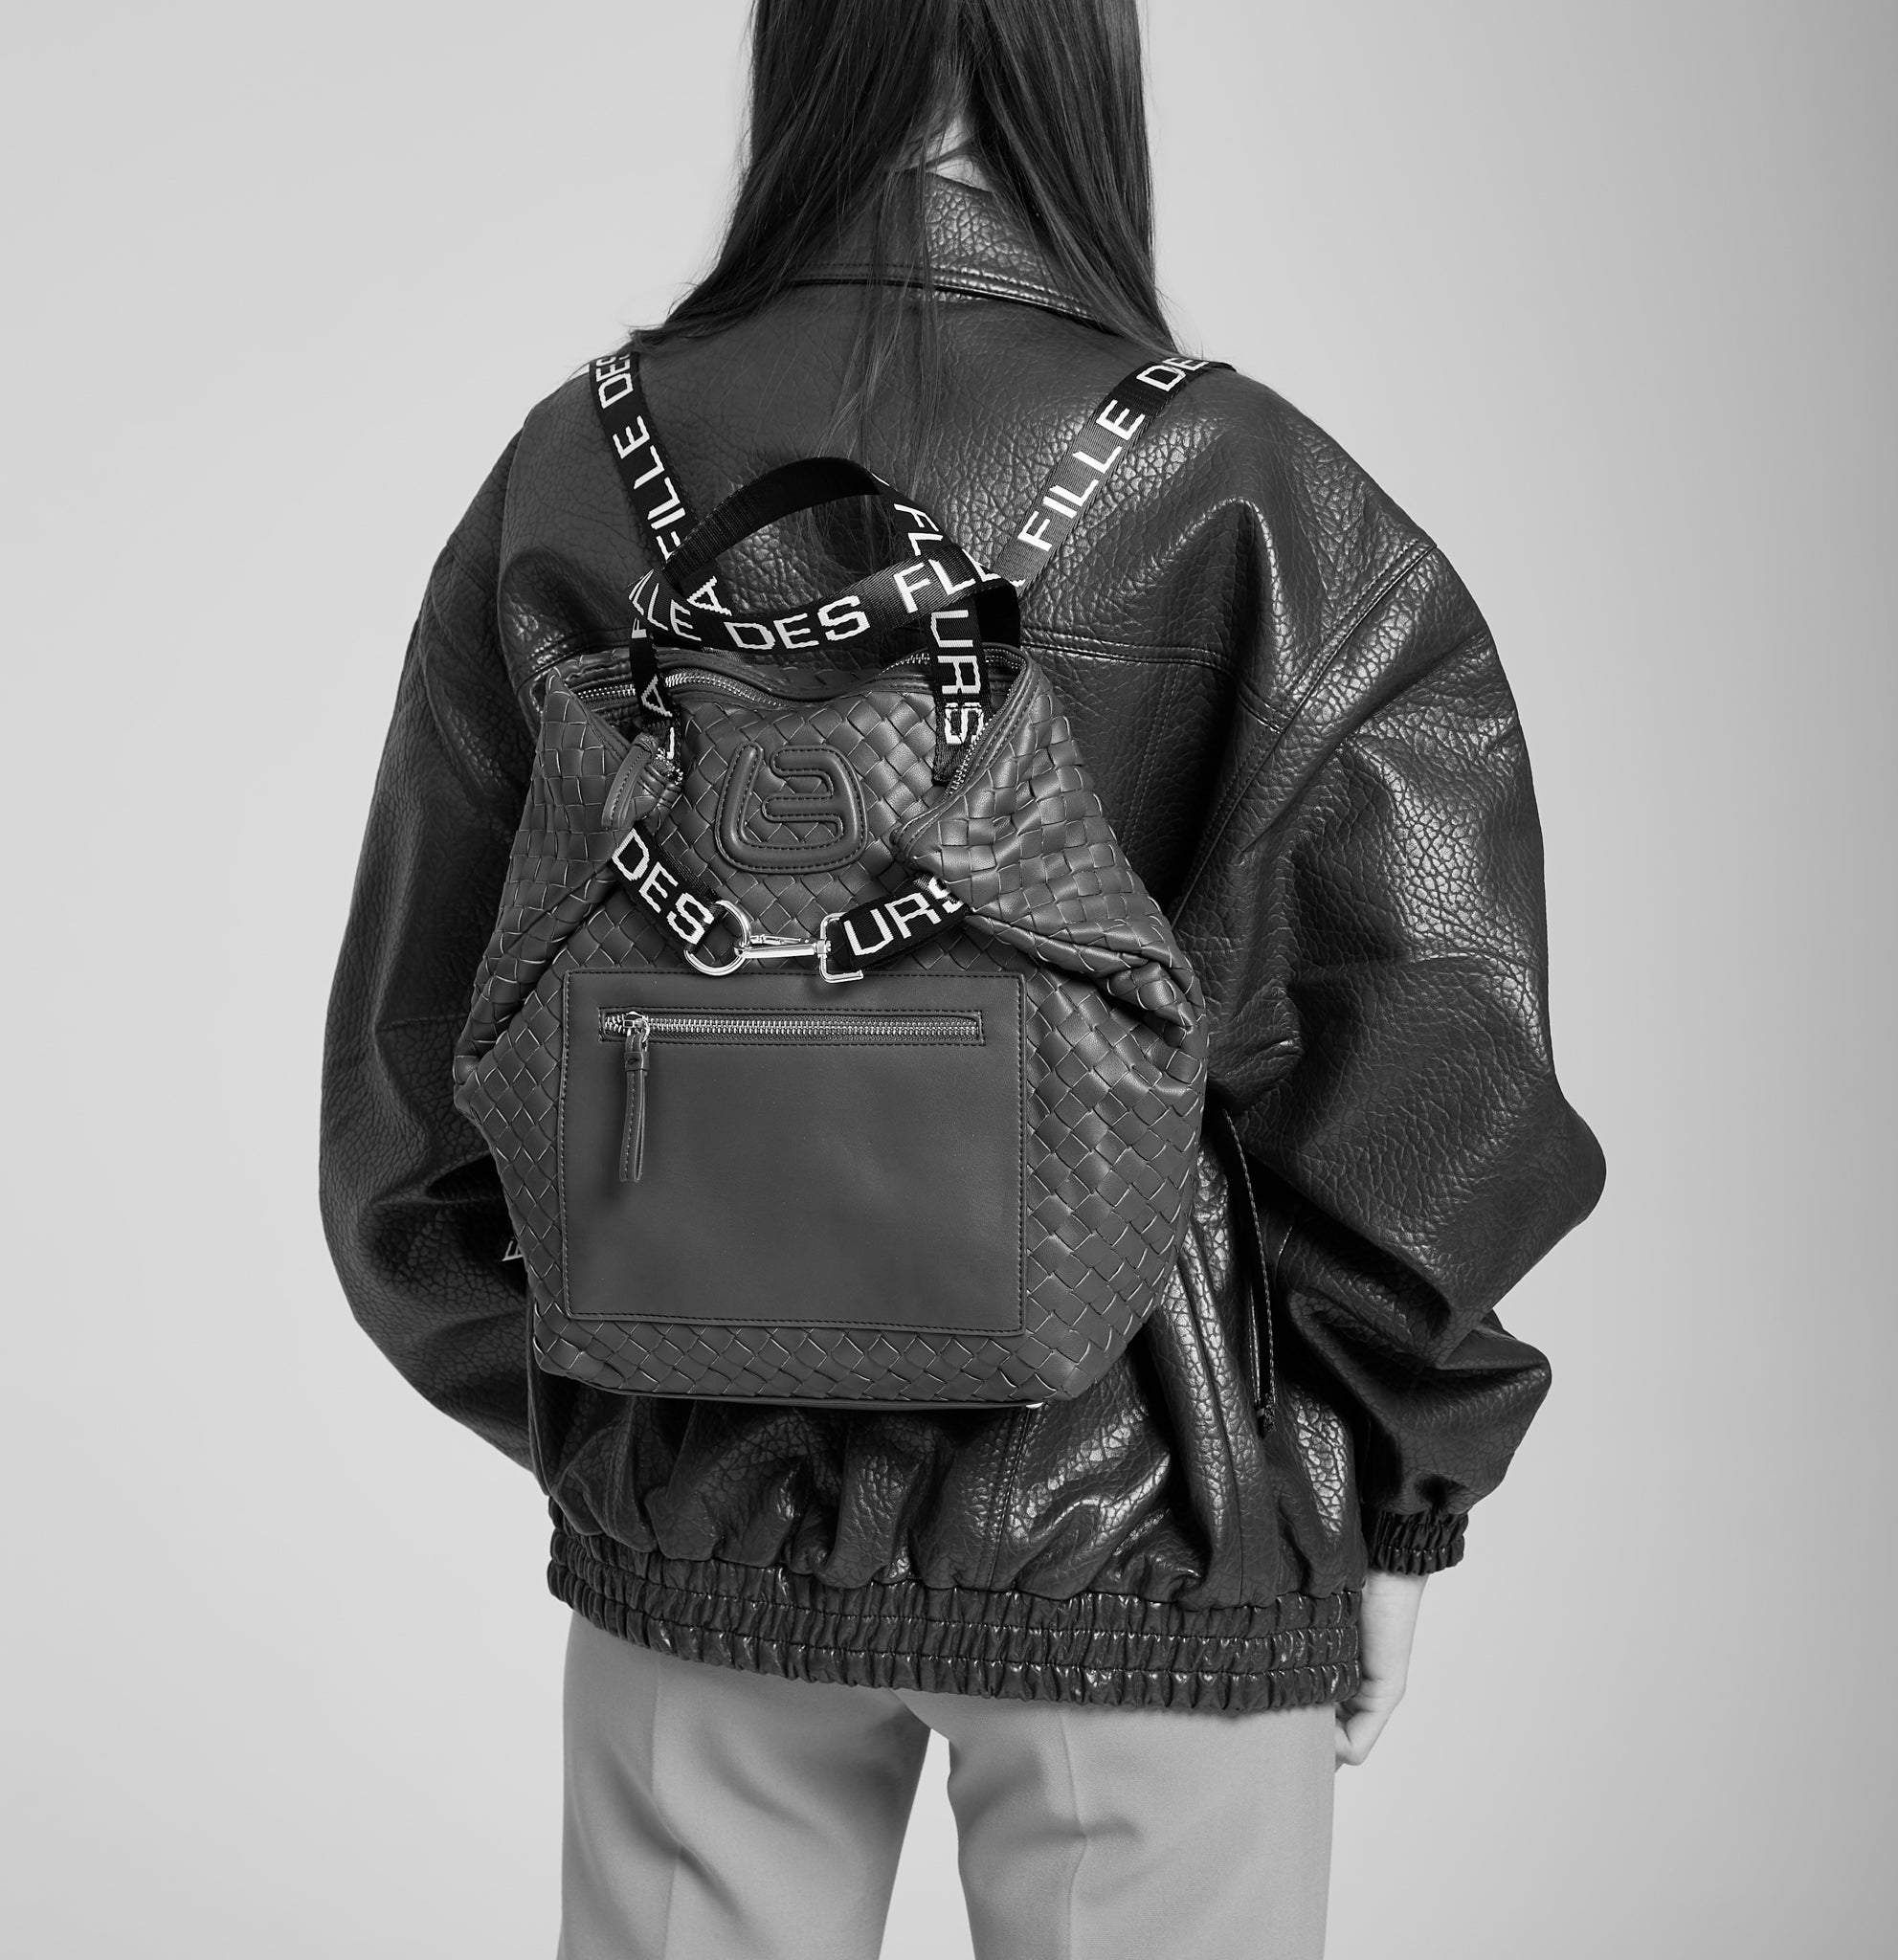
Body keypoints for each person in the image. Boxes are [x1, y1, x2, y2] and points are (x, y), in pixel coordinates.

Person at [319, 3, 1605, 1954]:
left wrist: (639, 1411)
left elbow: (414, 1080)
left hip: (695, 1527)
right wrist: (1394, 1491)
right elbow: (1429, 1047)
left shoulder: (579, 472)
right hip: (1155, 1535)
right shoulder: (1247, 484)